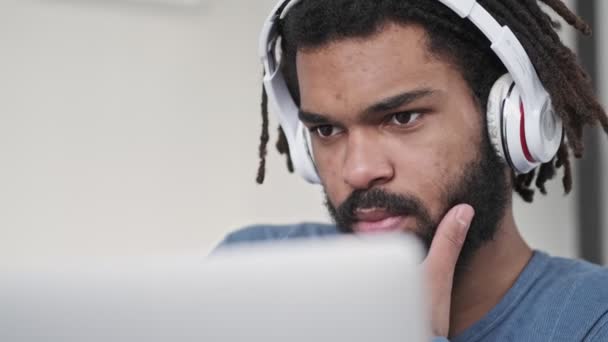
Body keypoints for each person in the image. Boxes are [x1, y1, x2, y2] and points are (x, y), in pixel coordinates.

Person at [219, 0, 608, 341]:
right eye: (327, 129)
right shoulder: (250, 272)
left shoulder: (593, 321)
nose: (358, 171)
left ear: (511, 121)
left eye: (402, 118)